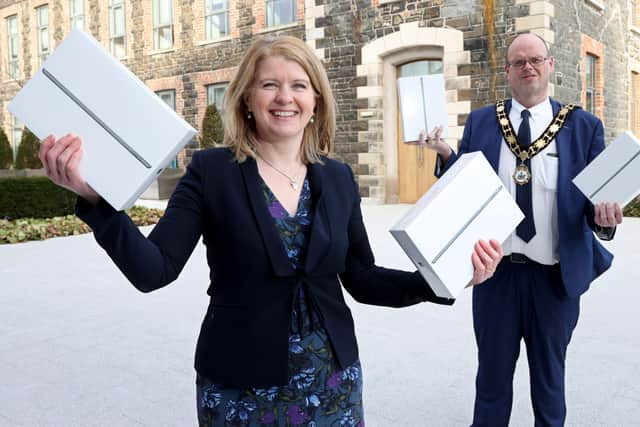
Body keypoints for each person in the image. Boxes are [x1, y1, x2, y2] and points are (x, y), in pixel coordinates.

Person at [39, 35, 503, 426]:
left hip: (333, 384)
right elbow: (153, 270)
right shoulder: (211, 172)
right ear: (246, 99)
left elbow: (361, 278)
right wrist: (99, 203)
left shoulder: (338, 177)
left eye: (299, 85)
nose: (286, 97)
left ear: (316, 99)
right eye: (270, 85)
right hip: (239, 388)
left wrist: (438, 280)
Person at [419, 33, 623, 426]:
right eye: (518, 62)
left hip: (554, 281)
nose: (527, 67)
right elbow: (463, 183)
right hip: (496, 276)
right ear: (508, 72)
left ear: (549, 65)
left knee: (550, 385)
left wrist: (605, 216)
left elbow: (596, 205)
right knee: (492, 382)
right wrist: (446, 154)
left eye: (535, 60)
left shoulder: (584, 127)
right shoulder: (482, 121)